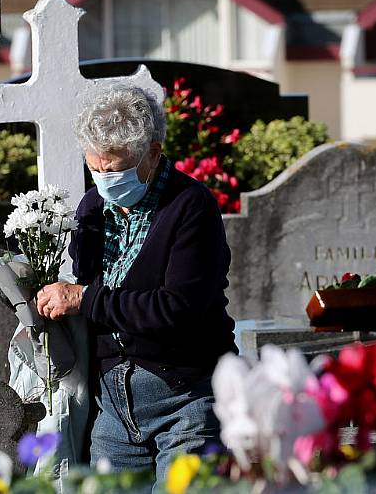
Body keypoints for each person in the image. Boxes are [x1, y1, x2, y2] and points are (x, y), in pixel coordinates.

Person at [35, 86, 238, 487]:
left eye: (115, 170)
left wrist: (85, 299)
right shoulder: (93, 208)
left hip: (185, 396)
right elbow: (92, 295)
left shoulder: (190, 207)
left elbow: (176, 308)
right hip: (112, 404)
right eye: (95, 169)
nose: (105, 180)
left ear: (153, 154)